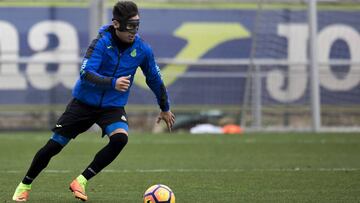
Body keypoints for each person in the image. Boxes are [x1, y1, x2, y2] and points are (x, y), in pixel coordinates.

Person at [12, 1, 175, 202]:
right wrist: (112, 82)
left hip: (112, 107)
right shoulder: (101, 42)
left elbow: (155, 78)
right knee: (54, 146)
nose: (134, 31)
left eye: (137, 25)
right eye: (129, 25)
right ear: (116, 24)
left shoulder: (142, 50)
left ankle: (81, 181)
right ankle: (25, 184)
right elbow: (85, 73)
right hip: (83, 104)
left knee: (120, 139)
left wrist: (165, 108)